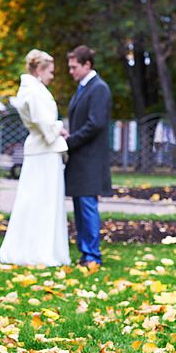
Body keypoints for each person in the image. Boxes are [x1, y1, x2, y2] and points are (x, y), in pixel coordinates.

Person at [0, 49, 70, 267]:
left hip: (40, 151)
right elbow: (44, 123)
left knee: (35, 201)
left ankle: (36, 248)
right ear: (39, 70)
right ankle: (39, 251)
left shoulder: (30, 90)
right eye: (50, 71)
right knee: (42, 202)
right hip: (43, 152)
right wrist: (59, 127)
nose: (53, 76)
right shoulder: (35, 92)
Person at [65, 45, 112, 267]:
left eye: (74, 67)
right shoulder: (84, 88)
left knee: (87, 207)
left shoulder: (98, 88)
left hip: (90, 160)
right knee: (80, 208)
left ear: (87, 65)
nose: (71, 71)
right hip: (80, 159)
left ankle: (92, 255)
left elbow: (95, 124)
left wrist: (70, 140)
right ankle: (86, 252)